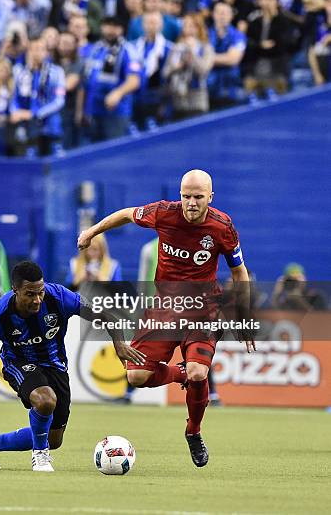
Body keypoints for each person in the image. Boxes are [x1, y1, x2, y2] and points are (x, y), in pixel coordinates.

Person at [77, 169, 255, 468]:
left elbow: (239, 271)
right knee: (136, 377)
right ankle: (183, 374)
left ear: (210, 197)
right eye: (186, 196)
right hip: (163, 310)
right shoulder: (163, 213)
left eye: (198, 197)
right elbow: (126, 214)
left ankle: (193, 431)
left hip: (203, 310)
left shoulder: (222, 226)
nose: (192, 203)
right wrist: (93, 231)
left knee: (200, 373)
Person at [0, 260, 145, 472]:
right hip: (18, 363)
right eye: (30, 294)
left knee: (54, 439)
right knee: (45, 401)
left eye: (40, 292)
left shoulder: (58, 297)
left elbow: (106, 315)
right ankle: (39, 455)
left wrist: (119, 344)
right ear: (15, 291)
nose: (37, 299)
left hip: (55, 366)